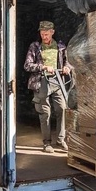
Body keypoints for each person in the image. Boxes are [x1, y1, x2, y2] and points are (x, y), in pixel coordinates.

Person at [24, 21, 72, 153]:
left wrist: (67, 67)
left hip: (57, 81)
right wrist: (43, 67)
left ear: (52, 32)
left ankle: (61, 139)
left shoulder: (61, 46)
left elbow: (69, 61)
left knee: (62, 109)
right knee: (45, 113)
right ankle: (47, 143)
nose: (44, 36)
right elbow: (27, 65)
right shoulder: (35, 46)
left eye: (46, 34)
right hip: (41, 81)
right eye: (42, 34)